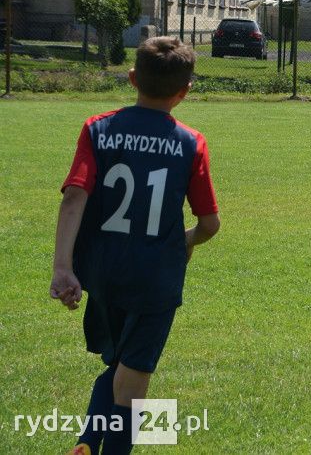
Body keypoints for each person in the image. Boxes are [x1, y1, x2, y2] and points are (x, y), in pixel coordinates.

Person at [52, 37, 220, 455]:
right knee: (134, 381)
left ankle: (87, 441)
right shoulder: (190, 142)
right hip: (155, 277)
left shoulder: (97, 128)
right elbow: (209, 223)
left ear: (131, 79)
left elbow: (74, 196)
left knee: (119, 364)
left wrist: (63, 267)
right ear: (185, 91)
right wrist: (188, 240)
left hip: (103, 272)